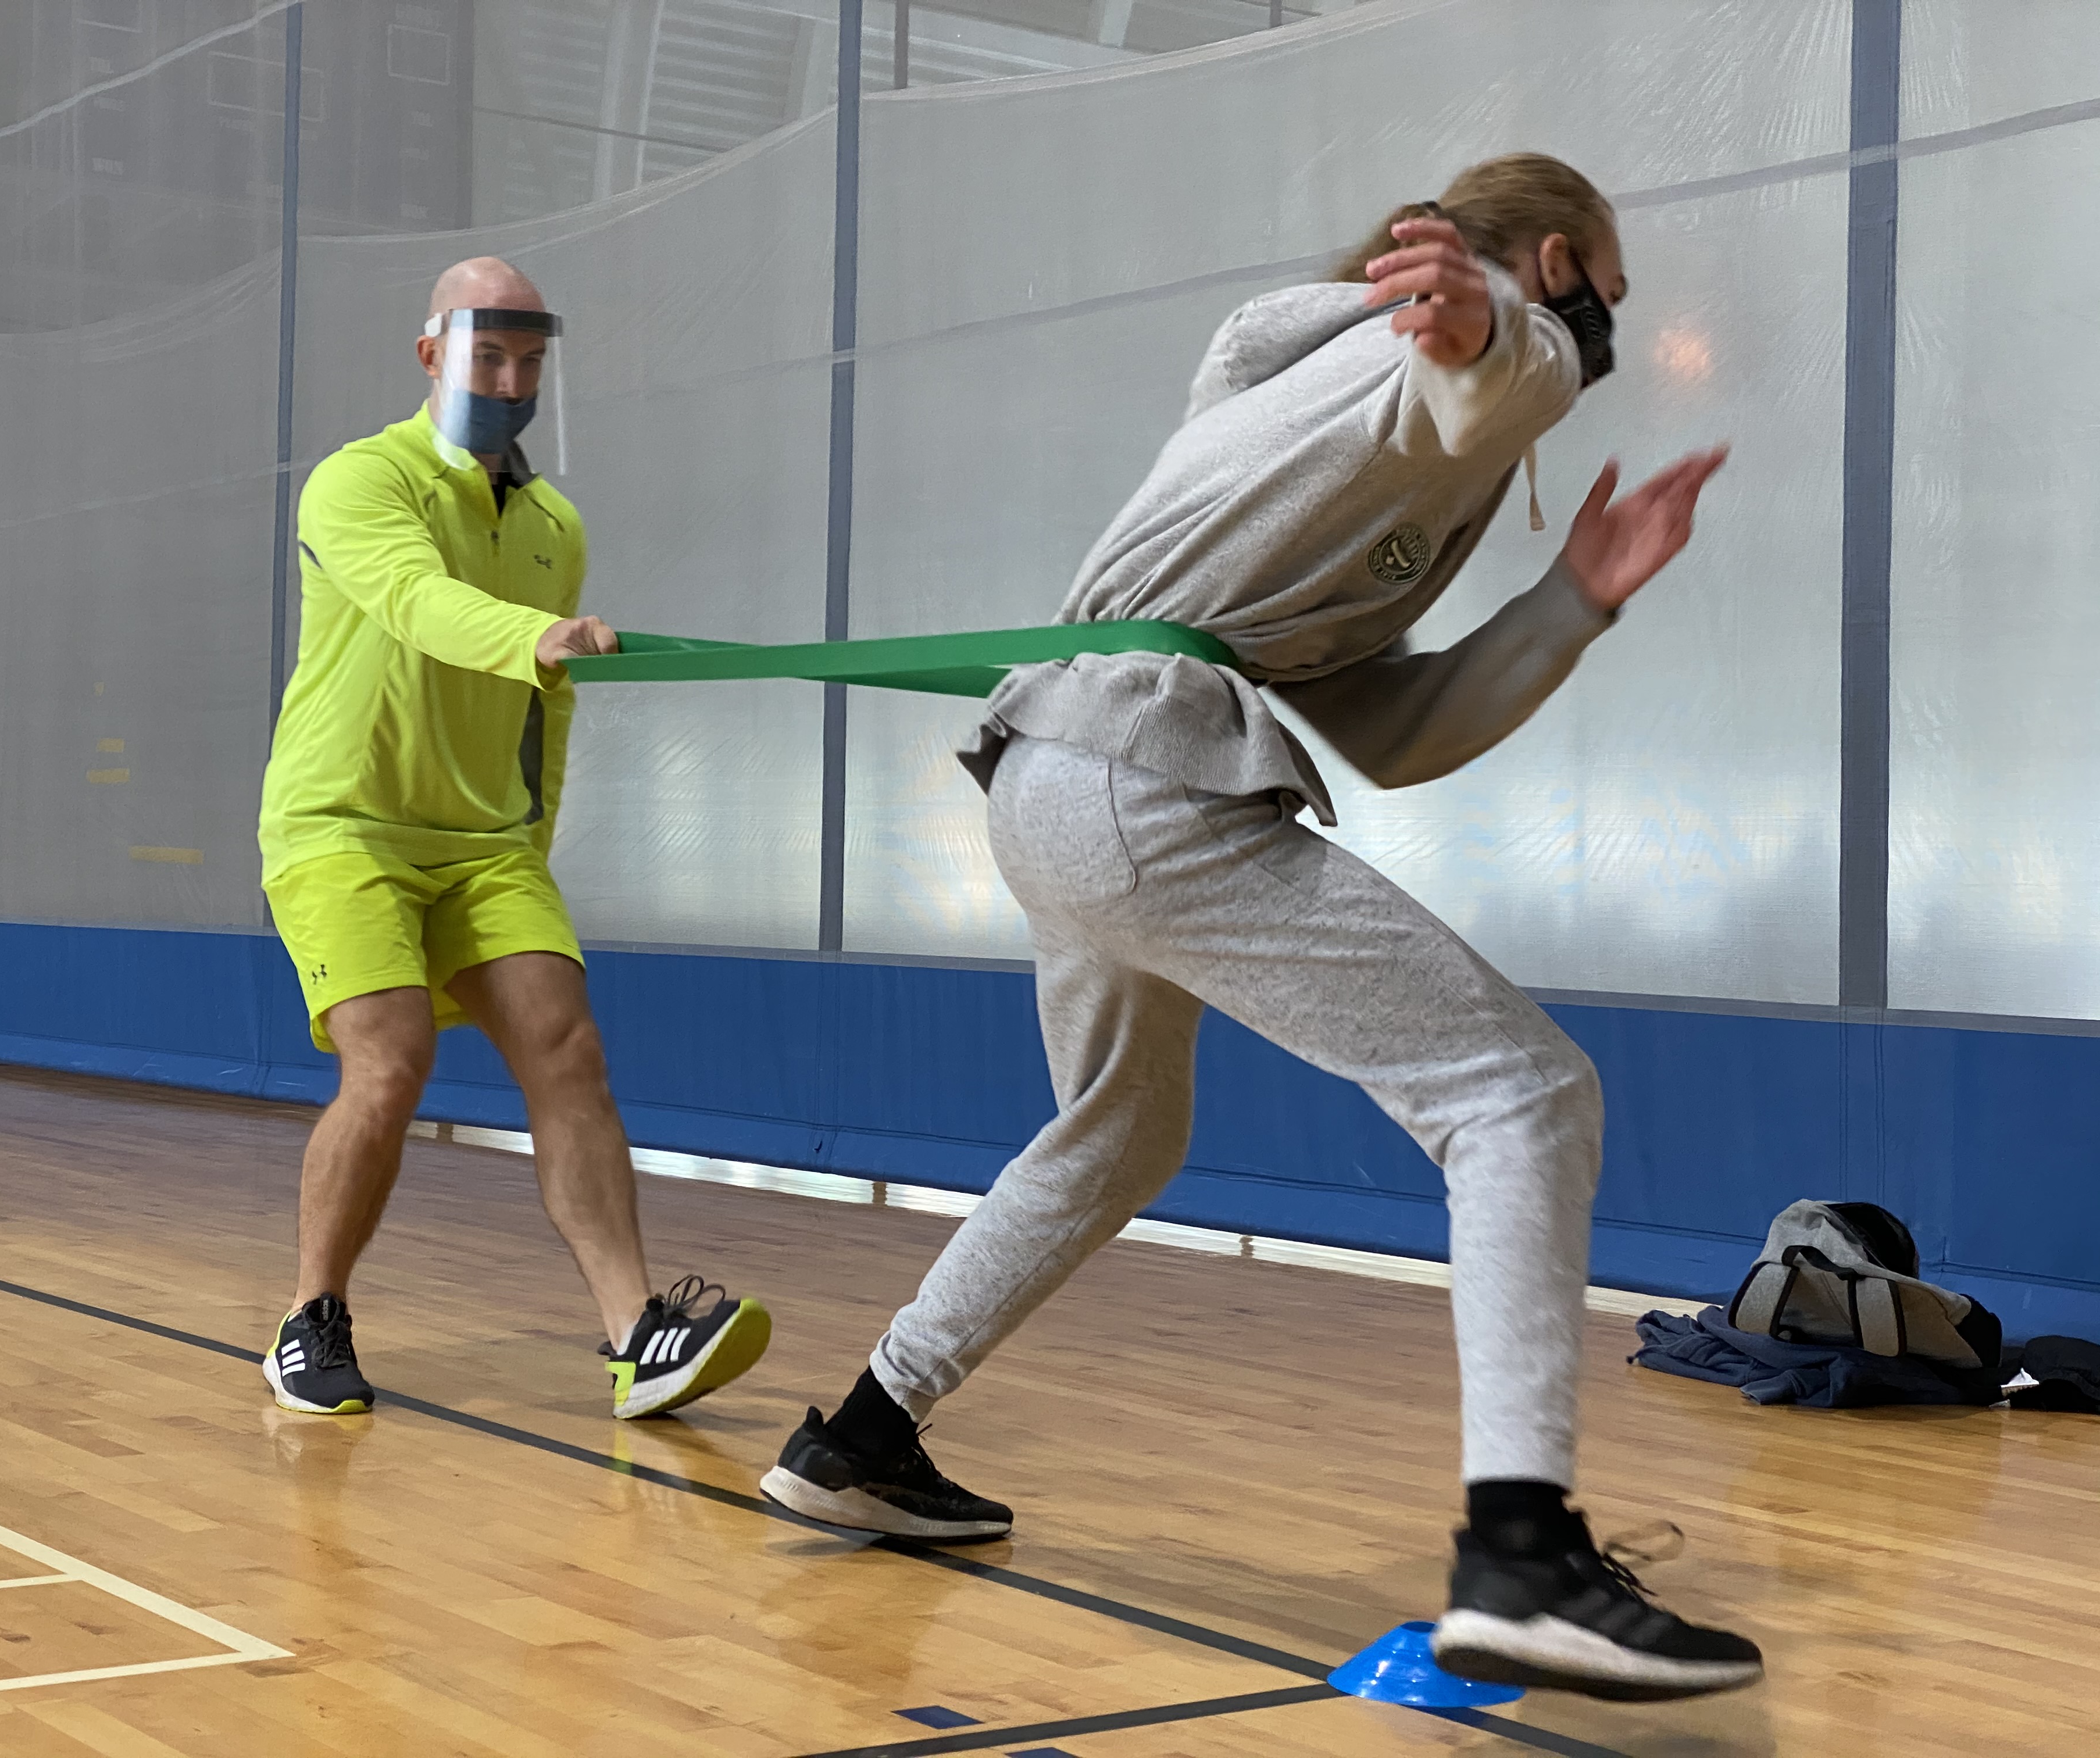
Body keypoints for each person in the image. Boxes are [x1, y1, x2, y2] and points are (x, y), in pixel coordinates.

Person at [762, 156, 1760, 1701]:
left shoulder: (1321, 406)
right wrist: (1499, 327)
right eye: (1601, 297)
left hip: (1069, 781)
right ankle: (1521, 1555)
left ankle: (867, 1436)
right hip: (1135, 783)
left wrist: (1572, 598)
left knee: (1116, 1133)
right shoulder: (1436, 351)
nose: (1595, 342)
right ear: (1562, 259)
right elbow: (1500, 364)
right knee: (1519, 1096)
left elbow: (1397, 725)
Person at [258, 256, 770, 1422]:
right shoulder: (358, 484)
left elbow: (548, 714)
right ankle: (311, 1315)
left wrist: (529, 845)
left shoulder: (551, 525)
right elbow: (414, 603)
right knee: (388, 1064)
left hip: (486, 847)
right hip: (345, 827)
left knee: (567, 1049)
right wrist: (536, 636)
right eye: (488, 355)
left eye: (530, 360)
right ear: (432, 352)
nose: (510, 378)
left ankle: (639, 1333)